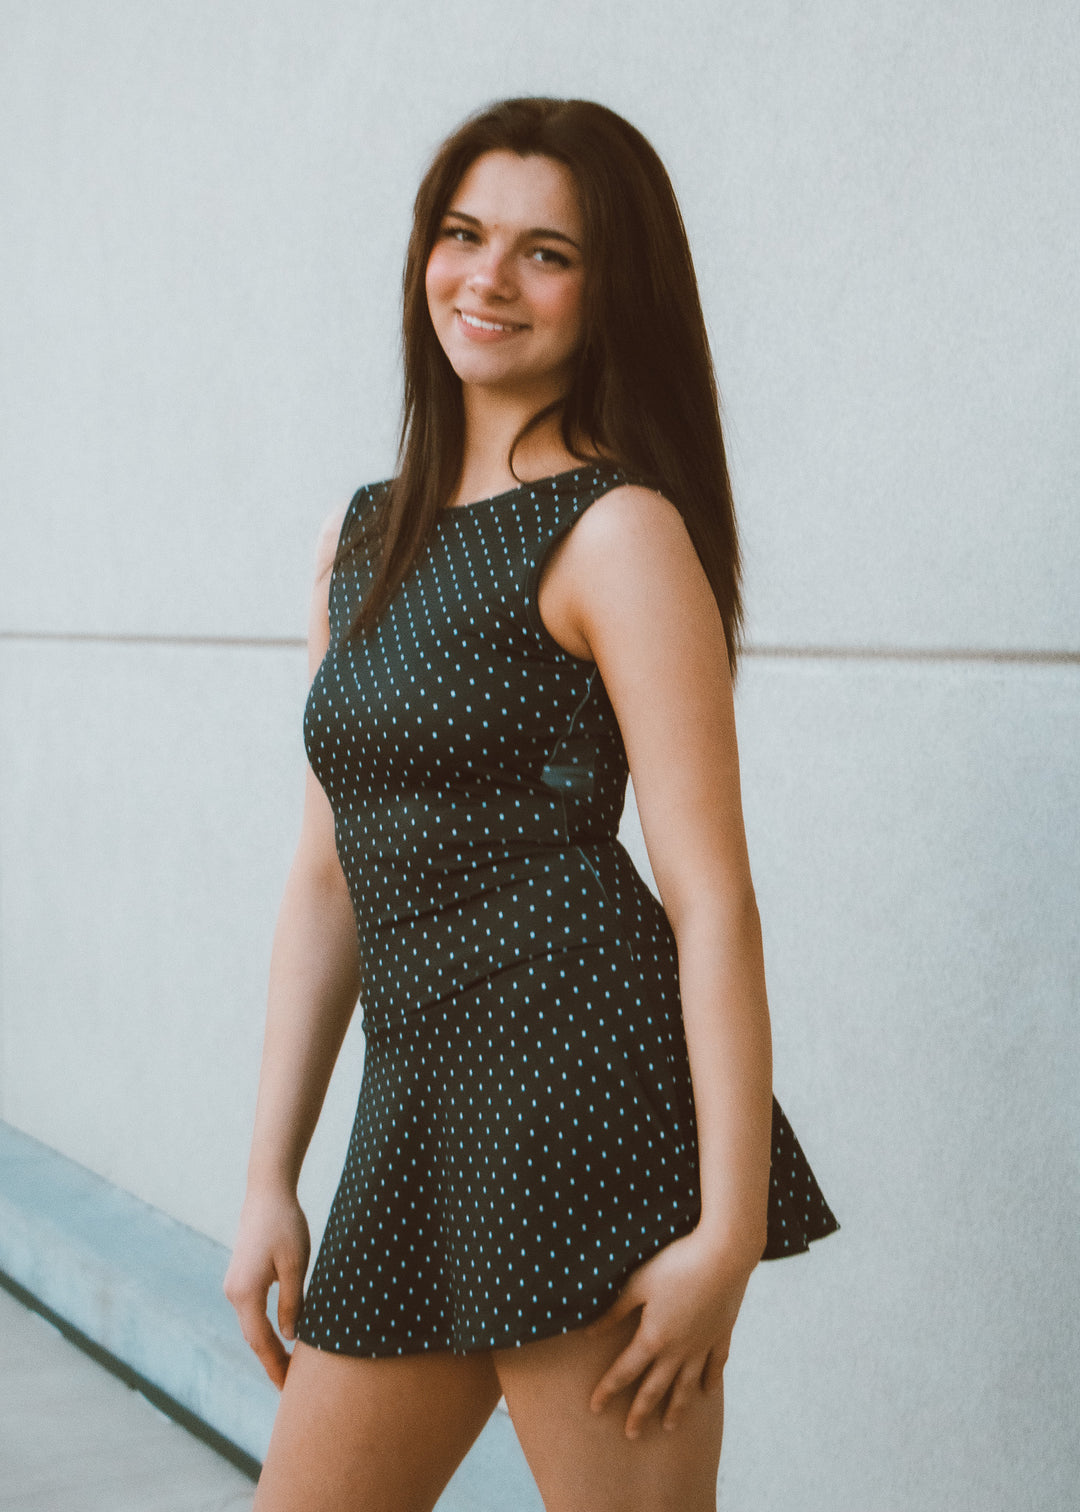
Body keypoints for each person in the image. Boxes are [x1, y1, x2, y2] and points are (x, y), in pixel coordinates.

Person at [224, 96, 838, 1512]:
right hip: (418, 1112)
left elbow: (710, 896)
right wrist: (268, 1174)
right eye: (463, 234)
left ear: (612, 291)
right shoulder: (361, 536)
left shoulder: (616, 530)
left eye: (545, 252)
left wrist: (726, 1234)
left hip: (578, 1111)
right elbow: (328, 875)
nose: (487, 279)